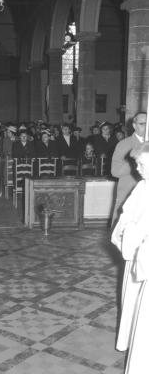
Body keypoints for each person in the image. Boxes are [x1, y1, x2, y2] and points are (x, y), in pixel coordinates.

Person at [111, 141, 149, 374]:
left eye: (143, 164)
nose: (138, 170)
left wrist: (132, 234)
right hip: (136, 255)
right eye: (137, 165)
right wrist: (124, 228)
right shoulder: (143, 186)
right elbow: (127, 213)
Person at [111, 112, 147, 226]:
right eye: (142, 124)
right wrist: (134, 161)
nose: (147, 127)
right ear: (134, 125)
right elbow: (115, 171)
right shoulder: (124, 145)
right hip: (130, 191)